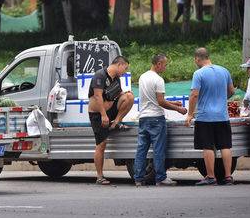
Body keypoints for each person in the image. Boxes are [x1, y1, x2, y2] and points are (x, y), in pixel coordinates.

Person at [134, 54, 188, 187]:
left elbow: (152, 100)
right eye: (164, 64)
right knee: (158, 149)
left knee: (142, 149)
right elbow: (160, 102)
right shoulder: (158, 80)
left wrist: (172, 102)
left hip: (143, 117)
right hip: (156, 119)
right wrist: (177, 109)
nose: (165, 67)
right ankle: (160, 178)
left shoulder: (143, 77)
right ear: (158, 64)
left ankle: (138, 178)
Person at [185, 48, 235, 185]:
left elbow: (194, 94)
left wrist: (190, 113)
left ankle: (211, 177)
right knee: (225, 146)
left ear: (197, 58)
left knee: (207, 147)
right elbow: (231, 91)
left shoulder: (199, 73)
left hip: (205, 116)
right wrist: (222, 99)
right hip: (222, 116)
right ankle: (228, 176)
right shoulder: (224, 71)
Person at [88, 56, 134, 185]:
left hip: (110, 111)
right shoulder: (100, 75)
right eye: (125, 68)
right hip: (98, 113)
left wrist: (124, 93)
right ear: (119, 64)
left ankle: (116, 123)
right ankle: (99, 176)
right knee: (101, 145)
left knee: (129, 97)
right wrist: (103, 115)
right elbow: (97, 97)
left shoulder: (116, 78)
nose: (125, 71)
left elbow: (117, 93)